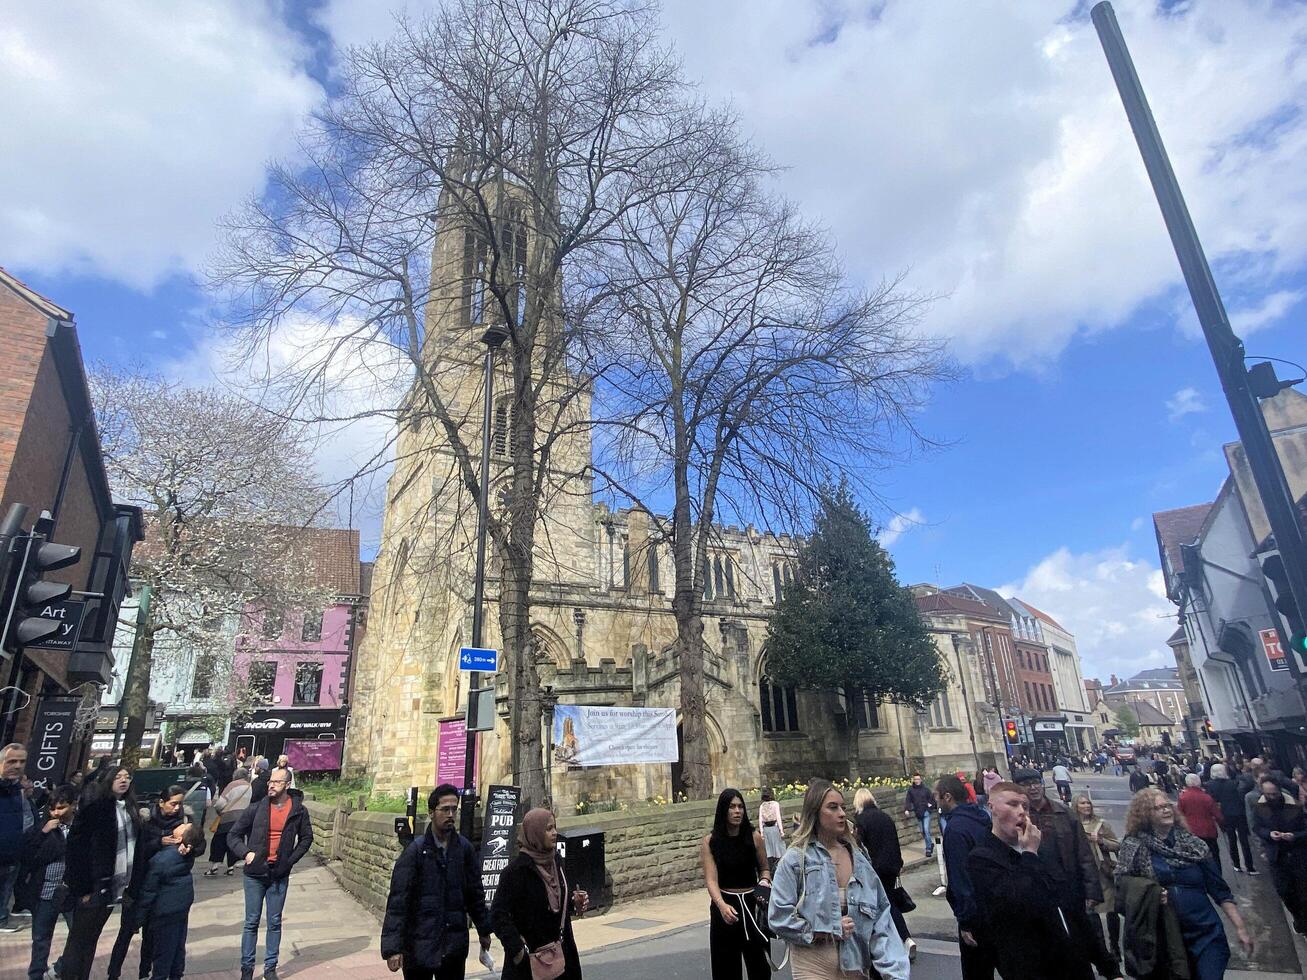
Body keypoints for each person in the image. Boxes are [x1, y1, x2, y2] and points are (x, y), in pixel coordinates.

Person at [768, 779, 908, 980]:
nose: (842, 813)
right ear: (815, 812)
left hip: (855, 964)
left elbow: (880, 920)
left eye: (842, 807)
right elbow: (778, 917)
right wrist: (828, 930)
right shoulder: (796, 859)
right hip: (812, 965)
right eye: (832, 808)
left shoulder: (859, 859)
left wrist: (895, 973)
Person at [1116, 787, 1251, 979]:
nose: (1166, 810)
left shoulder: (1194, 845)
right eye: (1158, 808)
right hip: (1166, 936)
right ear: (1145, 814)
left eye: (1167, 805)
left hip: (1206, 931)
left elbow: (1220, 890)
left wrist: (1240, 927)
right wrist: (1150, 893)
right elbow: (1121, 888)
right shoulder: (1134, 846)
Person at [967, 782, 1094, 980]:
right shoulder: (982, 858)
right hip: (1032, 967)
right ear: (992, 807)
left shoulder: (1039, 848)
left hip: (1071, 963)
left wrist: (1108, 966)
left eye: (1025, 807)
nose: (1022, 812)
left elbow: (1068, 908)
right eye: (1012, 804)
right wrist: (1029, 855)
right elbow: (1020, 901)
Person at [1012, 767, 1120, 979]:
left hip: (1069, 887)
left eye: (1036, 782)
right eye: (1027, 784)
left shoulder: (1063, 813)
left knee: (1085, 938)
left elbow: (1084, 854)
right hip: (1038, 889)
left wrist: (1092, 891)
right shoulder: (1018, 818)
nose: (1033, 787)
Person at [381, 784, 492, 979]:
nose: (451, 814)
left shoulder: (463, 850)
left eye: (454, 809)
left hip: (453, 948)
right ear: (432, 812)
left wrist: (484, 929)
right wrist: (392, 949)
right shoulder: (415, 852)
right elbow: (398, 902)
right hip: (418, 946)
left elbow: (475, 894)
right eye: (445, 809)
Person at [227, 766, 314, 980]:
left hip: (279, 874)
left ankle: (270, 969)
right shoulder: (256, 808)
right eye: (270, 782)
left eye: (276, 782)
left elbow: (306, 839)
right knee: (251, 922)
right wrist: (245, 853)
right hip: (255, 874)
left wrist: (289, 861)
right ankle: (247, 970)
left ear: (287, 784)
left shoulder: (298, 810)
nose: (271, 785)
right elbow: (233, 835)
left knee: (274, 922)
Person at [60, 766, 146, 980]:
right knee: (79, 939)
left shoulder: (130, 808)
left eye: (127, 777)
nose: (124, 780)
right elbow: (77, 847)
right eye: (118, 777)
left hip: (116, 884)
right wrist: (82, 887)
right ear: (108, 780)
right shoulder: (96, 807)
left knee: (92, 938)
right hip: (95, 883)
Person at [107, 784, 194, 980]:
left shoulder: (184, 823)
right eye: (173, 804)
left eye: (180, 804)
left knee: (151, 937)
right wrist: (159, 842)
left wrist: (189, 848)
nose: (177, 808)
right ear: (161, 803)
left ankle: (144, 973)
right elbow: (137, 851)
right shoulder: (146, 821)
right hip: (138, 884)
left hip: (160, 890)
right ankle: (113, 973)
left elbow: (198, 842)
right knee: (126, 933)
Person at [491, 808, 588, 980]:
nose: (554, 833)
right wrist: (518, 950)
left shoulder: (556, 862)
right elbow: (498, 915)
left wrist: (574, 903)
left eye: (555, 827)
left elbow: (554, 904)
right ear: (535, 833)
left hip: (562, 961)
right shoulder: (516, 872)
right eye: (548, 829)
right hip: (530, 965)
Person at [701, 788, 771, 980]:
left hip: (752, 905)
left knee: (760, 967)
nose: (737, 811)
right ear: (723, 810)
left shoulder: (754, 837)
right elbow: (711, 880)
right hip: (725, 907)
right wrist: (721, 905)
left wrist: (764, 883)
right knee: (726, 968)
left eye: (740, 806)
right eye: (732, 807)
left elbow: (765, 869)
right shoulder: (711, 841)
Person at [936, 774, 994, 980]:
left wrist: (966, 921)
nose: (936, 801)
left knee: (976, 972)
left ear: (948, 797)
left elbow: (961, 877)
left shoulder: (955, 829)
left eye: (938, 797)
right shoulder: (981, 817)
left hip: (975, 914)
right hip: (994, 904)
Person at [18, 783, 76, 980]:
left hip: (70, 891)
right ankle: (36, 975)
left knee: (77, 936)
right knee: (41, 939)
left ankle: (61, 968)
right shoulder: (42, 828)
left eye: (61, 807)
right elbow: (30, 857)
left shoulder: (79, 828)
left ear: (73, 805)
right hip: (45, 891)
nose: (56, 812)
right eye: (52, 808)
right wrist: (43, 833)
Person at [136, 823, 206, 980]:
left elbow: (148, 891)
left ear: (179, 838)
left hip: (163, 911)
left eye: (184, 825)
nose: (181, 823)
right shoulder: (187, 854)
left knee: (163, 954)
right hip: (180, 909)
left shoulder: (162, 860)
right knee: (177, 950)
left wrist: (138, 919)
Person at [852, 789, 914, 960]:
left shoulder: (861, 821)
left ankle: (903, 938)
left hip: (875, 868)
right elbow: (894, 840)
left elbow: (858, 847)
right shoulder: (885, 817)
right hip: (892, 865)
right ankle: (897, 938)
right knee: (887, 900)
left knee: (885, 903)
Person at [1250, 775, 1307, 935]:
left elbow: (1305, 830)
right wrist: (1269, 834)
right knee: (1285, 892)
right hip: (1277, 857)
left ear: (1279, 791)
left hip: (1297, 856)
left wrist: (1294, 836)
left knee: (1303, 892)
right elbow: (1257, 828)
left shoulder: (1294, 807)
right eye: (1268, 794)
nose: (1271, 797)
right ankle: (1298, 918)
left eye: (1274, 794)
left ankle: (1304, 924)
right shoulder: (1259, 808)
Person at [1073, 793, 1121, 963]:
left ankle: (1114, 946)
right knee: (1091, 912)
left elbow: (1116, 844)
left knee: (1111, 910)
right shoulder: (1073, 825)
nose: (1086, 806)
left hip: (1103, 872)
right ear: (1076, 806)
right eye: (1082, 803)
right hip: (1085, 874)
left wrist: (1100, 841)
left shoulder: (1101, 824)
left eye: (1088, 803)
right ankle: (1101, 950)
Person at [1, 743, 36, 934]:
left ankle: (2, 917)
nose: (17, 765)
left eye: (22, 761)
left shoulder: (17, 789)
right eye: (12, 761)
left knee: (6, 887)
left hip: (13, 850)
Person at [206, 767, 252, 876]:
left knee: (219, 841)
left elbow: (220, 803)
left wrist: (219, 811)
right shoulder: (250, 786)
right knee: (234, 842)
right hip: (242, 818)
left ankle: (214, 867)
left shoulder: (232, 785)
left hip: (228, 817)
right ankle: (230, 867)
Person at [1178, 773, 1224, 871]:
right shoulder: (1206, 797)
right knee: (1214, 856)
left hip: (1191, 832)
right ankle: (1218, 875)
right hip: (1208, 831)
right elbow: (1217, 815)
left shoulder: (1183, 798)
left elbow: (1179, 815)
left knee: (1196, 857)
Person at [902, 773, 936, 858]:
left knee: (926, 830)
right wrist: (906, 809)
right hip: (918, 812)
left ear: (921, 780)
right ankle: (930, 843)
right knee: (922, 831)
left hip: (926, 812)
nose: (917, 781)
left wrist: (930, 805)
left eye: (918, 779)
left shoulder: (926, 790)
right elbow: (908, 800)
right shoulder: (911, 790)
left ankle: (928, 849)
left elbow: (932, 799)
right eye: (915, 779)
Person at [758, 790, 785, 876]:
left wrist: (761, 832)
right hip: (774, 828)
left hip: (766, 829)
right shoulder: (775, 804)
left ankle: (772, 869)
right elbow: (778, 817)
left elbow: (760, 820)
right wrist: (781, 830)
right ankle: (778, 868)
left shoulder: (762, 806)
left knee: (769, 850)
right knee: (777, 849)